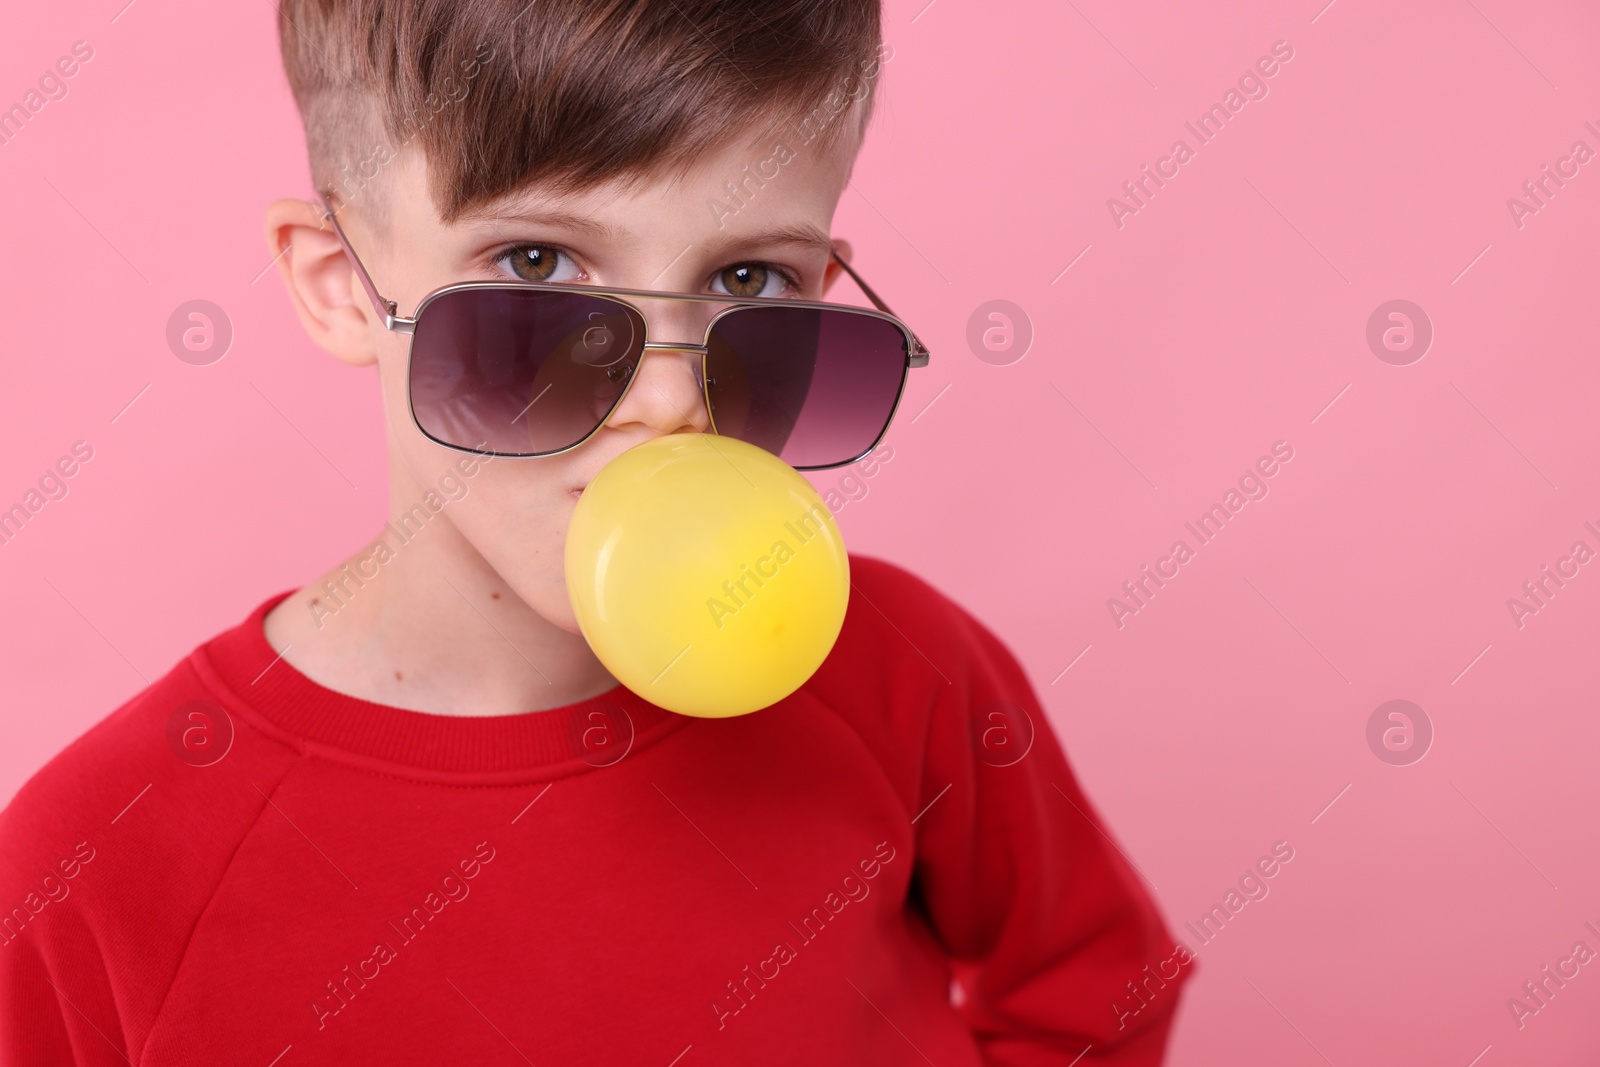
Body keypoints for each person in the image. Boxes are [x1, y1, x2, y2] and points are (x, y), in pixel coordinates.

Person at [0, 1, 1191, 1062]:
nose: (669, 400)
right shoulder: (93, 863)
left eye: (746, 281)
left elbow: (1096, 988)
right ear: (340, 283)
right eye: (535, 261)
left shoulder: (901, 674)